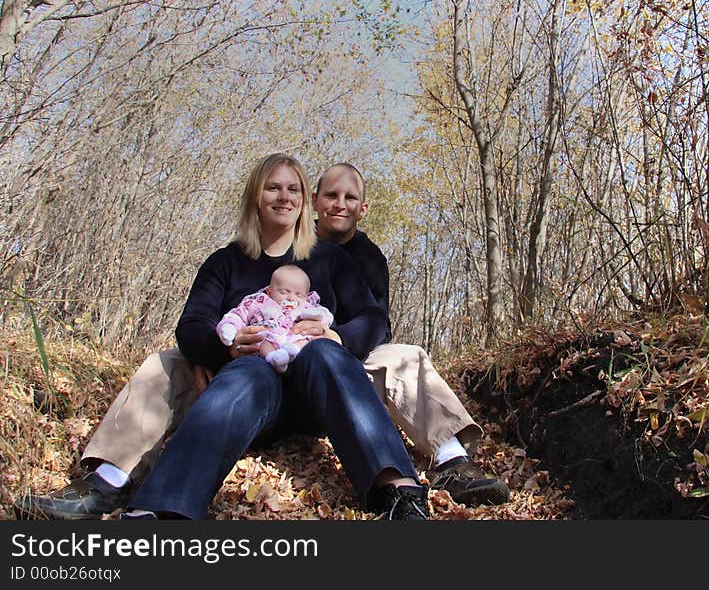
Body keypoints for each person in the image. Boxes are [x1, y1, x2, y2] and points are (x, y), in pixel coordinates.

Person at [14, 161, 507, 522]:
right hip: (248, 391)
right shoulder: (224, 263)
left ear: (303, 202)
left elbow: (373, 319)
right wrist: (223, 350)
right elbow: (192, 327)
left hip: (323, 388)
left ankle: (411, 484)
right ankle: (114, 485)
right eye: (274, 186)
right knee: (166, 363)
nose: (284, 196)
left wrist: (334, 333)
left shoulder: (331, 262)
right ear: (256, 195)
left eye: (293, 187)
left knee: (353, 353)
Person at [314, 163, 509, 505]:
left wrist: (337, 339)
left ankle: (452, 460)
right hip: (282, 367)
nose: (340, 204)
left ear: (364, 208)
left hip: (346, 365)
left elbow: (378, 327)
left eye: (350, 197)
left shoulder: (370, 258)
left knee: (404, 356)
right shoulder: (289, 238)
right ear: (314, 200)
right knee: (184, 361)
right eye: (331, 195)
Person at [216, 264, 333, 372]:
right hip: (268, 338)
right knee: (261, 341)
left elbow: (325, 316)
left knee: (305, 341)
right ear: (269, 291)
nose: (291, 298)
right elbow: (238, 314)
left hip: (294, 340)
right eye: (284, 292)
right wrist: (230, 327)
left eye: (299, 294)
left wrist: (318, 317)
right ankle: (273, 358)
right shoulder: (258, 302)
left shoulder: (307, 306)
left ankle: (291, 352)